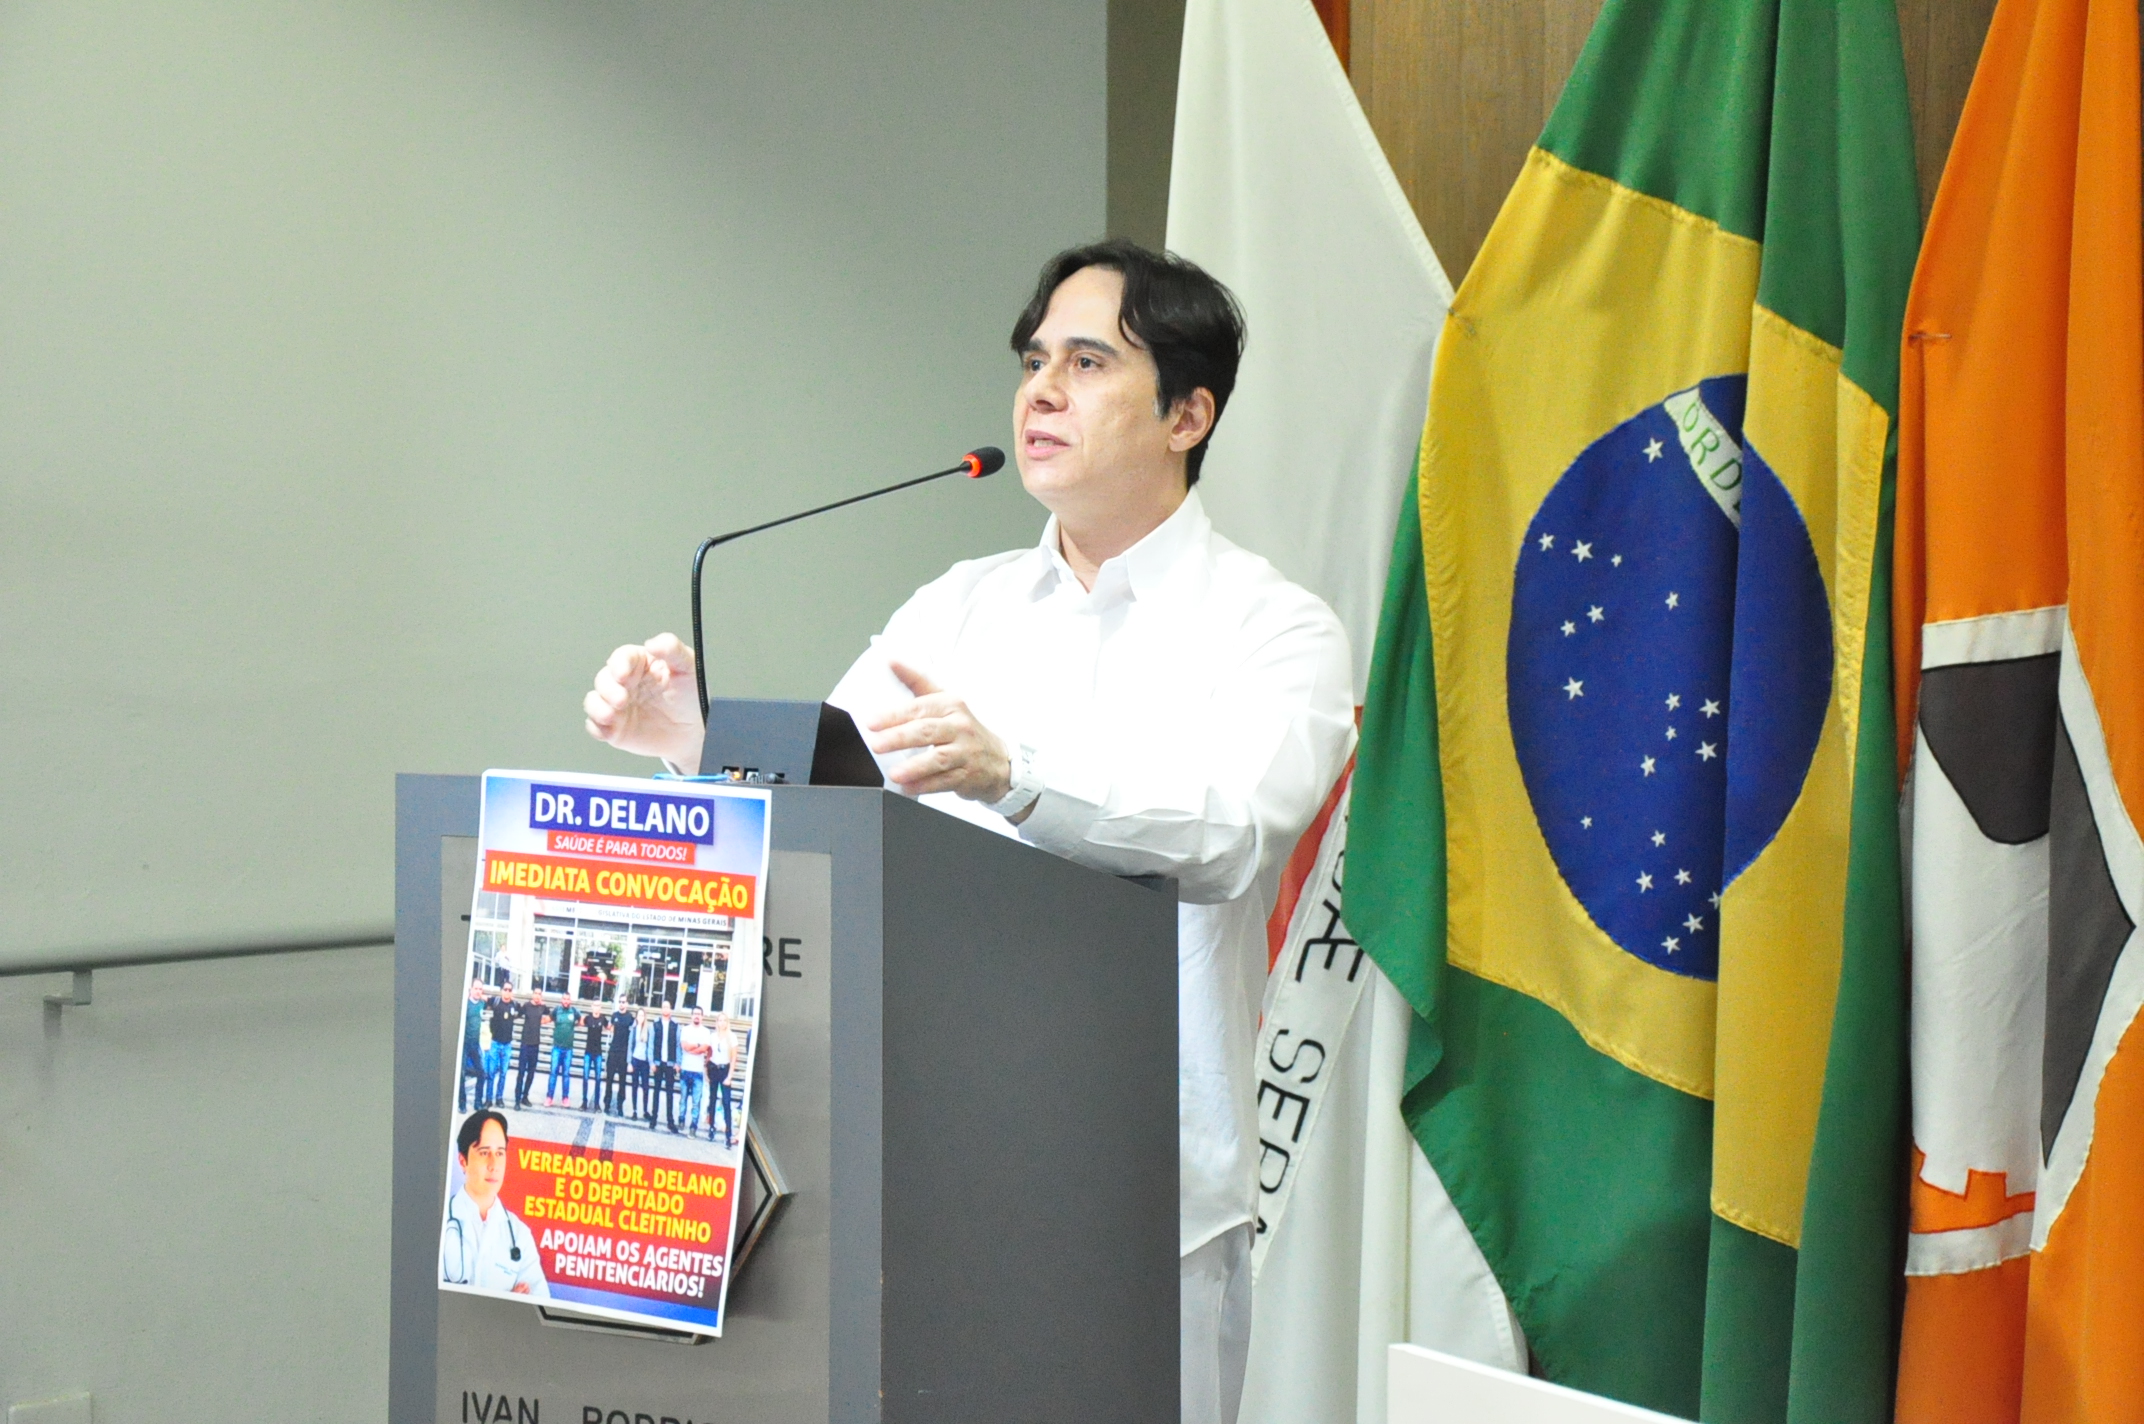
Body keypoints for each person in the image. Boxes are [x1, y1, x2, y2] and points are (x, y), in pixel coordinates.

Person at [582, 240, 1351, 1424]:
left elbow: (1230, 832)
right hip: (919, 1175)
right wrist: (691, 743)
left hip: (1143, 1203)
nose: (1039, 391)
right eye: (1033, 360)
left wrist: (1017, 777)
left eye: (1086, 363)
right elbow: (826, 815)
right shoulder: (957, 605)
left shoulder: (1273, 629)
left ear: (1186, 414)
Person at [440, 1109, 548, 1298]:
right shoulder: (439, 1220)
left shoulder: (520, 1235)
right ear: (463, 1161)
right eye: (484, 1153)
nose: (494, 1164)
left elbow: (538, 1303)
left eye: (500, 1153)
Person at [704, 1013, 738, 1148]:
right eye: (719, 1020)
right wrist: (706, 1071)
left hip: (725, 1070)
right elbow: (708, 1054)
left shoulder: (732, 1037)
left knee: (726, 1102)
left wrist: (729, 1077)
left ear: (727, 1022)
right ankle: (711, 1128)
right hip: (713, 1069)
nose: (722, 1023)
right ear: (716, 1022)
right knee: (712, 1100)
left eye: (724, 1020)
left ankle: (728, 1134)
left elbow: (734, 1058)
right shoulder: (712, 1036)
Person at [484, 985, 518, 1109]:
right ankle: (488, 1099)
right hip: (495, 1043)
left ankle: (499, 1098)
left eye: (510, 990)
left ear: (512, 992)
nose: (507, 992)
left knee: (503, 1074)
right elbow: (484, 998)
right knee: (491, 1073)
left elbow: (523, 1011)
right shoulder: (496, 1001)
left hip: (507, 1045)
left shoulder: (515, 1004)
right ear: (502, 991)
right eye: (505, 989)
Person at [678, 1009, 711, 1137]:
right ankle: (681, 1120)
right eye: (695, 1014)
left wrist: (692, 1049)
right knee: (683, 1099)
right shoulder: (685, 1030)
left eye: (699, 1014)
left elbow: (704, 1048)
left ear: (702, 1017)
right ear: (691, 1016)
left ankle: (693, 1126)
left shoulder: (706, 1032)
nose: (697, 1016)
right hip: (685, 1069)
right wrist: (697, 1044)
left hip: (698, 1071)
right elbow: (684, 1046)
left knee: (696, 1102)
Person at [512, 991, 547, 1109]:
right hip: (525, 1044)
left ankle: (525, 1096)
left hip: (535, 1045)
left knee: (531, 1073)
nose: (537, 996)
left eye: (539, 994)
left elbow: (550, 1015)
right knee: (521, 1073)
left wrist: (543, 1005)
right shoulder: (526, 1006)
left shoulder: (542, 1007)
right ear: (532, 995)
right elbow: (517, 1015)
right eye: (535, 993)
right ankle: (517, 1100)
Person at [648, 1011, 682, 1132]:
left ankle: (670, 1121)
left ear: (670, 1010)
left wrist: (678, 1063)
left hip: (670, 1064)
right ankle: (654, 1119)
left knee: (670, 1093)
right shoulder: (655, 1025)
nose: (665, 1009)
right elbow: (651, 1044)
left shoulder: (675, 1026)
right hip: (658, 1063)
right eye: (664, 1007)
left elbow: (678, 1045)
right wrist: (651, 1062)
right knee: (656, 1092)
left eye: (668, 1007)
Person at [458, 981, 487, 1112]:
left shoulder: (482, 1004)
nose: (478, 991)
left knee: (482, 1073)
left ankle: (478, 1102)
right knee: (461, 1074)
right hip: (464, 1044)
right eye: (476, 988)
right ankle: (462, 1103)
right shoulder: (465, 1004)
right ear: (471, 989)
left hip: (475, 1044)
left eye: (480, 989)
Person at [546, 996, 579, 1107]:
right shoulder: (557, 1010)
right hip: (557, 1048)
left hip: (568, 1049)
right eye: (564, 999)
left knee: (566, 1074)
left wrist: (575, 1025)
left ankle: (565, 1098)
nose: (566, 1001)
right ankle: (549, 1097)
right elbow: (548, 1019)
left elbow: (581, 1020)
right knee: (553, 1072)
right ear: (561, 1000)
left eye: (568, 999)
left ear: (570, 1000)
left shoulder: (574, 1011)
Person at [601, 1004, 633, 1116]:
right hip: (613, 1051)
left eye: (623, 1002)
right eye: (620, 1002)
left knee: (622, 1081)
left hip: (623, 1053)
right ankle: (607, 1104)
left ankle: (620, 1106)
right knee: (609, 1079)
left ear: (626, 1004)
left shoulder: (630, 1017)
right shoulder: (614, 1015)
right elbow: (610, 1028)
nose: (621, 1004)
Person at [580, 1003, 608, 1111]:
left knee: (598, 1079)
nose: (597, 1007)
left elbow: (610, 1027)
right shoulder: (588, 1018)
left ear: (600, 1007)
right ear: (592, 1006)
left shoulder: (603, 1019)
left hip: (598, 1053)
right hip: (588, 1052)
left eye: (598, 1006)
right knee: (585, 1077)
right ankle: (584, 1102)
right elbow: (580, 1022)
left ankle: (597, 1104)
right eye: (595, 1005)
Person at [627, 1008, 654, 1120]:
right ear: (636, 1017)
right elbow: (630, 1046)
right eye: (639, 1015)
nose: (641, 1017)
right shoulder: (633, 1029)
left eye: (642, 1015)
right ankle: (634, 1110)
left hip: (645, 1062)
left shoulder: (648, 1029)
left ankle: (645, 1110)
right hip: (635, 1060)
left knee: (645, 1087)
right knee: (634, 1085)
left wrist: (651, 1062)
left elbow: (651, 1046)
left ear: (645, 1017)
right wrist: (629, 1062)